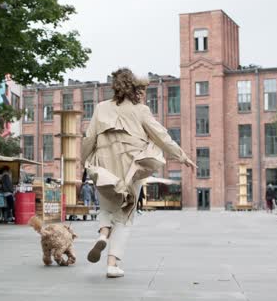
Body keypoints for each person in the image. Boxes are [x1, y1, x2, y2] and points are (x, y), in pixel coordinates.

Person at [81, 67, 196, 278]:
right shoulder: (140, 110)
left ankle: (103, 234)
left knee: (107, 205)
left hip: (105, 163)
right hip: (131, 166)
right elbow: (161, 135)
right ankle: (112, 264)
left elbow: (89, 138)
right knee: (125, 213)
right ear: (134, 88)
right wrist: (181, 156)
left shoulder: (100, 108)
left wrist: (84, 161)